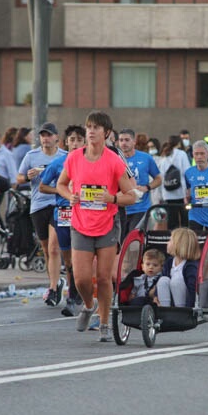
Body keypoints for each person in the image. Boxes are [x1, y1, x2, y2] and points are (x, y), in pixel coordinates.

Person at [55, 111, 137, 342]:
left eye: (96, 128)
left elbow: (130, 196)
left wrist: (111, 199)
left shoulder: (113, 160)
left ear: (106, 133)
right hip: (80, 224)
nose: (90, 131)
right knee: (80, 278)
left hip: (107, 225)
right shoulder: (74, 158)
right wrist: (69, 195)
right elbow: (61, 184)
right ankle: (89, 306)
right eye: (88, 126)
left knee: (103, 278)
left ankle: (104, 322)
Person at [18, 122, 68, 306]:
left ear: (57, 138)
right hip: (38, 205)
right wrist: (27, 177)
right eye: (42, 135)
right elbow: (18, 178)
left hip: (58, 204)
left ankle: (54, 289)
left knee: (55, 248)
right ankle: (54, 283)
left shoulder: (65, 157)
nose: (45, 139)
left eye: (49, 135)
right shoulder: (31, 156)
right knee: (46, 249)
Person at [40, 124, 85, 316]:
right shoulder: (59, 164)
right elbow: (42, 186)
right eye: (72, 140)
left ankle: (74, 296)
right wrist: (61, 191)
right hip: (63, 214)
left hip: (84, 215)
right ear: (66, 142)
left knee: (80, 257)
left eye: (79, 140)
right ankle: (74, 291)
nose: (75, 144)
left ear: (85, 142)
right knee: (68, 260)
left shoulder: (90, 162)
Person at [117, 128, 161, 238]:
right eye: (121, 140)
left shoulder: (146, 158)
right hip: (121, 208)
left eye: (127, 140)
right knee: (121, 244)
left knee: (135, 241)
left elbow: (158, 179)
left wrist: (147, 187)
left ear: (134, 142)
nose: (123, 143)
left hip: (141, 209)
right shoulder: (115, 159)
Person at [155, 227, 200, 308]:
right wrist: (156, 295)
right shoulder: (169, 262)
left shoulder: (191, 266)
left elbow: (192, 289)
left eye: (170, 240)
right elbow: (162, 279)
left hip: (186, 303)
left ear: (179, 244)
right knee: (163, 280)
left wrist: (190, 309)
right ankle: (165, 311)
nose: (167, 243)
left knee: (176, 280)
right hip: (170, 300)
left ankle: (180, 311)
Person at [184, 140, 208, 235]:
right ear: (193, 155)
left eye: (202, 154)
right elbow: (187, 190)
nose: (199, 157)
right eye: (196, 154)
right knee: (195, 243)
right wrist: (186, 198)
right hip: (195, 214)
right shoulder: (188, 172)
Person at [155, 134, 192, 228]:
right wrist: (188, 190)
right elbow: (187, 172)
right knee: (185, 220)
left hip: (167, 194)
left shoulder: (164, 156)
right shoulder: (182, 154)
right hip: (181, 193)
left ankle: (173, 240)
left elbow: (160, 175)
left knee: (172, 222)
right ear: (179, 143)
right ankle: (185, 240)